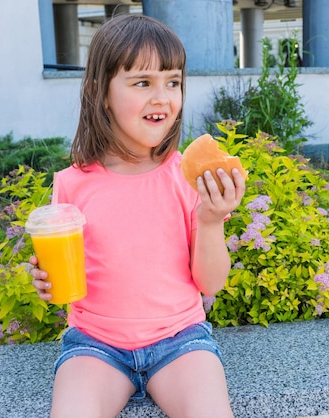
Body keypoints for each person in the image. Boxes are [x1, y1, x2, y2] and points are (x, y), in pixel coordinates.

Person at [29, 14, 245, 418]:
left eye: (173, 81)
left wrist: (213, 219)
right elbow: (66, 279)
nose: (162, 97)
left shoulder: (186, 178)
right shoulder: (70, 185)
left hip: (181, 341)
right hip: (95, 345)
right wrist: (46, 280)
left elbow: (211, 282)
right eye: (143, 82)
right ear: (101, 92)